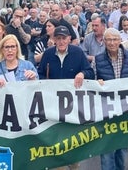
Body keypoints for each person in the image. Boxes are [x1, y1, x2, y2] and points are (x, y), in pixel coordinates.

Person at [37, 25, 94, 170]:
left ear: (69, 39)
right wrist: (46, 84)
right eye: (58, 38)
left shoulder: (78, 53)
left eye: (64, 38)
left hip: (73, 107)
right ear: (54, 39)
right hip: (52, 106)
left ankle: (74, 164)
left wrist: (82, 74)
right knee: (55, 140)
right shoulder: (48, 54)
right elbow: (41, 74)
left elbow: (89, 71)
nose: (61, 41)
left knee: (72, 142)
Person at [95, 28, 128, 170]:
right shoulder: (98, 59)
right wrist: (96, 82)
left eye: (114, 39)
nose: (112, 43)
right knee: (106, 150)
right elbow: (91, 80)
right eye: (108, 39)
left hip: (125, 109)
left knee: (121, 149)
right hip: (106, 110)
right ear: (104, 41)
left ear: (120, 40)